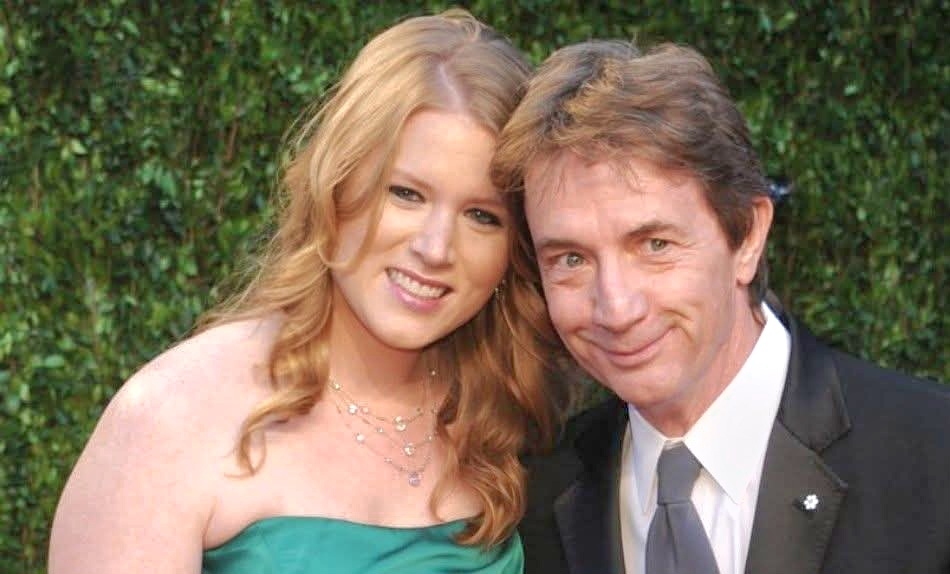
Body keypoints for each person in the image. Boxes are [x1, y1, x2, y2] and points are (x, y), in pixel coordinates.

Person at [49, 10, 567, 574]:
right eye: (405, 193)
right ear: (334, 186)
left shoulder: (515, 420)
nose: (436, 247)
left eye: (482, 216)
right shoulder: (169, 418)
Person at [492, 40, 950, 574]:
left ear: (748, 236)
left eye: (655, 245)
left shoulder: (932, 456)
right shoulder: (537, 498)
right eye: (571, 259)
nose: (616, 308)